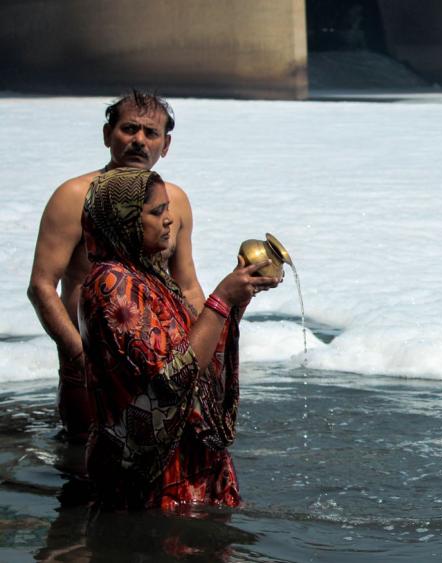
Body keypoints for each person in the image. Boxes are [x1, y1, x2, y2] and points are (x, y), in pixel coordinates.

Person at [79, 167, 277, 510]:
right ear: (123, 220)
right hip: (150, 476)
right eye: (156, 212)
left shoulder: (149, 275)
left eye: (167, 208)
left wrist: (236, 301)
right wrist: (221, 300)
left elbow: (195, 350)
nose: (169, 220)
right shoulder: (111, 284)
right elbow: (170, 378)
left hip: (185, 466)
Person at [27, 91, 203, 442]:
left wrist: (203, 356)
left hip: (159, 362)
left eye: (150, 133)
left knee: (168, 466)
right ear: (108, 135)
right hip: (90, 359)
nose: (139, 140)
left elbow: (187, 287)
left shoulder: (174, 201)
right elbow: (42, 286)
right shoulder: (76, 196)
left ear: (165, 145)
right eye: (129, 129)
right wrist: (79, 356)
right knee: (85, 464)